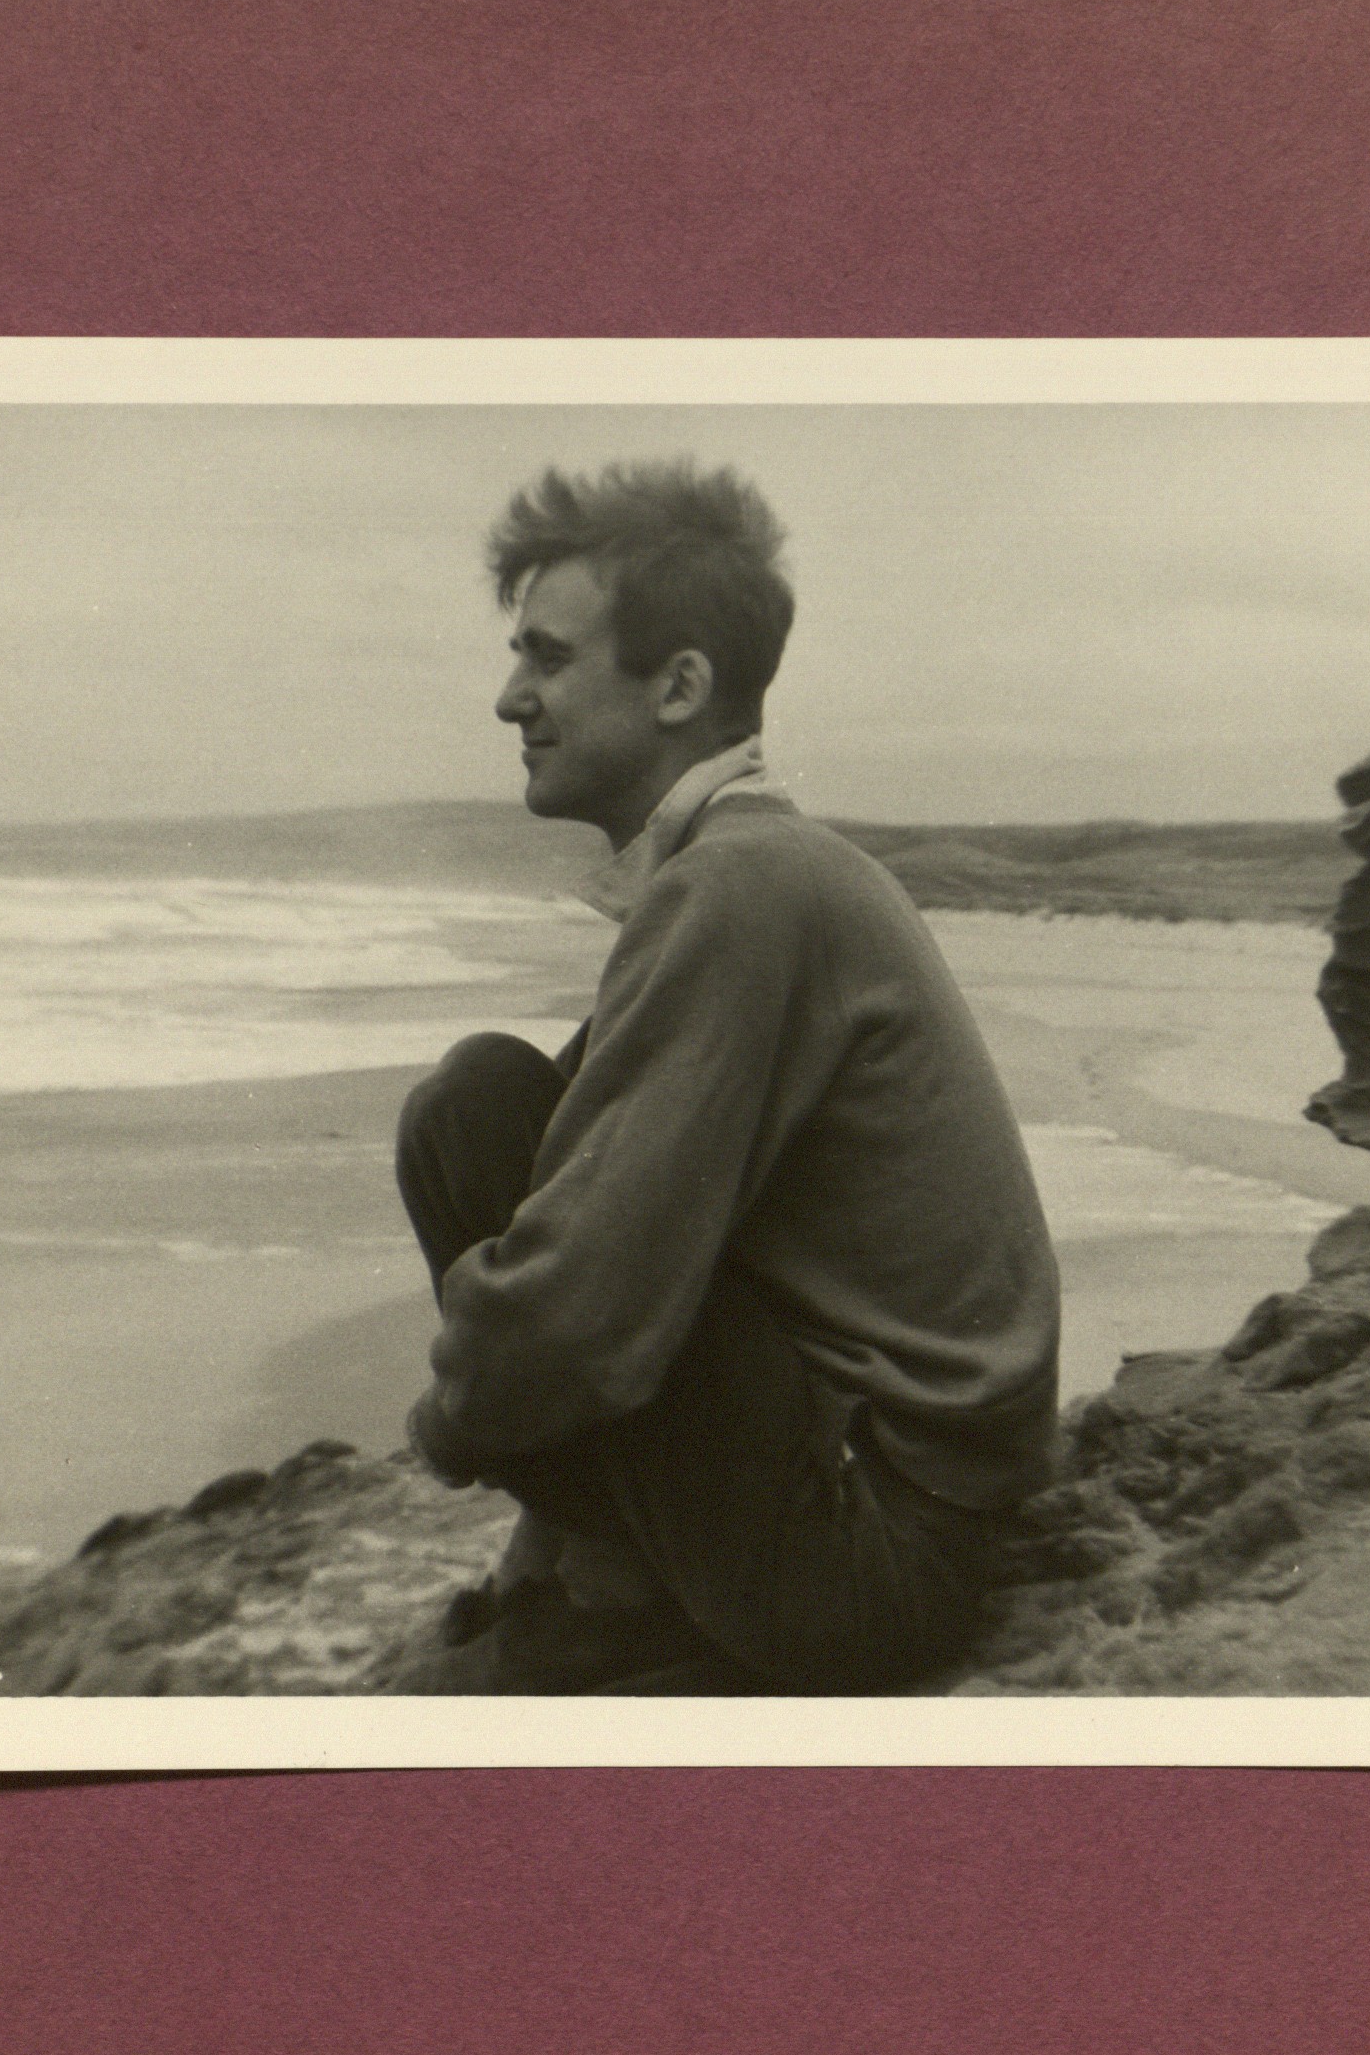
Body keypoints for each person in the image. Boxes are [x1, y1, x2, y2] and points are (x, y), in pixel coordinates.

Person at [391, 458, 1060, 1694]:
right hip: (903, 1500)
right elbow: (603, 1198)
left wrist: (443, 1435)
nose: (506, 699)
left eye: (544, 657)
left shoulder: (740, 890)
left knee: (472, 1114)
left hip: (874, 1566)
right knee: (504, 1107)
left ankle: (630, 1588)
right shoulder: (751, 868)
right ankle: (613, 1566)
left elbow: (582, 1302)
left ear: (680, 687)